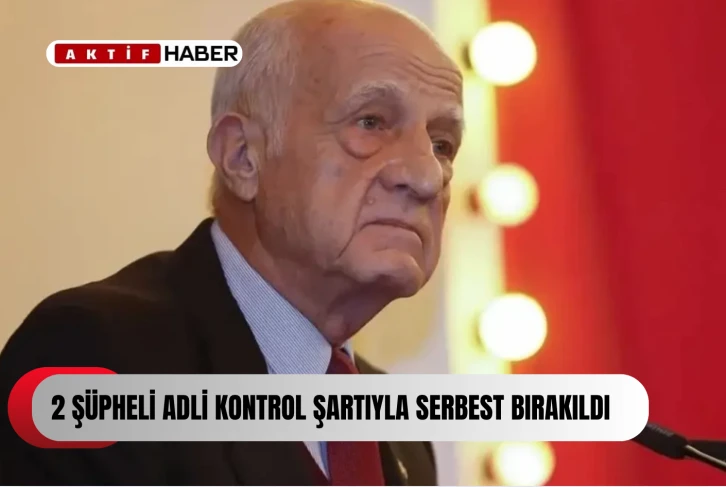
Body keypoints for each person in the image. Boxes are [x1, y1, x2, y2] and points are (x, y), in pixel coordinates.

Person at [0, 0, 463, 484]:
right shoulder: (96, 358)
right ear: (243, 156)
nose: (426, 176)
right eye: (370, 122)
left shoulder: (399, 435)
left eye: (442, 145)